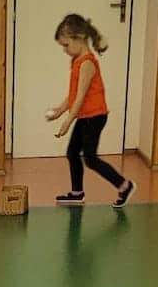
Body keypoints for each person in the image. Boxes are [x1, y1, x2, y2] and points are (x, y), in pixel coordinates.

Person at [46, 14, 137, 209]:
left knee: (90, 158)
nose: (64, 50)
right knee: (72, 153)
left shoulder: (87, 63)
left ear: (79, 38)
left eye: (66, 45)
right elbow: (73, 94)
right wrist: (59, 111)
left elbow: (80, 97)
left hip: (95, 117)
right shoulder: (77, 60)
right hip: (86, 116)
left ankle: (125, 185)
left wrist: (67, 121)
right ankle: (77, 193)